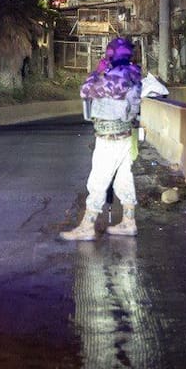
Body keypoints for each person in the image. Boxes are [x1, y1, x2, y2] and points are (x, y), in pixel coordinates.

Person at [61, 37, 143, 241]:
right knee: (123, 179)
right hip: (124, 135)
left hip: (109, 137)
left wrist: (97, 71)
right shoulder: (133, 73)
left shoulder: (115, 77)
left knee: (98, 180)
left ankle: (87, 226)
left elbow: (85, 90)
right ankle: (129, 222)